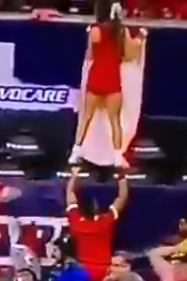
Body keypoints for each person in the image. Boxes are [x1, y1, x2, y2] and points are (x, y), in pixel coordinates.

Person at [72, 0, 140, 167]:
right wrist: (140, 40)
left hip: (96, 77)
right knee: (114, 120)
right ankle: (117, 156)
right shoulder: (122, 31)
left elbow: (89, 55)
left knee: (86, 117)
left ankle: (75, 153)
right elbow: (129, 56)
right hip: (112, 78)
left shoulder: (94, 30)